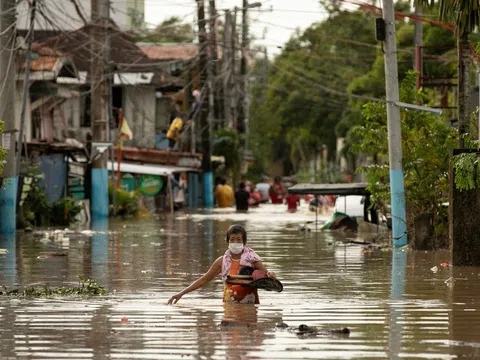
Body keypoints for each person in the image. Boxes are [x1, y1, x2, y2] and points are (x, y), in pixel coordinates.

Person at [167, 225, 276, 305]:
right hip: (229, 304)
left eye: (239, 240)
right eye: (232, 240)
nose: (235, 243)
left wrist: (272, 275)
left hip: (250, 305)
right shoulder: (221, 262)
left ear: (244, 242)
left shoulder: (253, 260)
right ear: (227, 241)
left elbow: (267, 278)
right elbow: (204, 280)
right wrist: (181, 293)